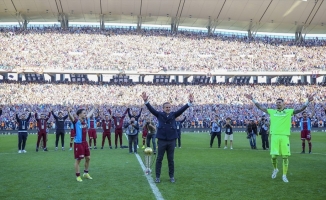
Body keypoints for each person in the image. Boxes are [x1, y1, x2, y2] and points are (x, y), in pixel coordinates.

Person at [244, 93, 314, 183]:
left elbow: (300, 109)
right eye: (277, 103)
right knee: (273, 156)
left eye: (279, 102)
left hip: (284, 136)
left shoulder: (289, 111)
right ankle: (275, 169)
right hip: (274, 136)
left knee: (285, 157)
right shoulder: (272, 111)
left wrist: (307, 101)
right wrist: (253, 99)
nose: (278, 104)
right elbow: (260, 107)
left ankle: (284, 175)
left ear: (283, 103)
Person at [141, 92, 194, 183]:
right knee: (159, 159)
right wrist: (146, 101)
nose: (168, 108)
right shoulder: (159, 114)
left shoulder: (174, 114)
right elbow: (151, 109)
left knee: (171, 160)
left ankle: (171, 176)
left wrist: (189, 103)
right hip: (161, 140)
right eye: (166, 107)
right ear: (163, 108)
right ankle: (157, 177)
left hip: (171, 140)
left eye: (169, 107)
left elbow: (181, 110)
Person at [68, 105, 97, 182]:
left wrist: (94, 108)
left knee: (88, 158)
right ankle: (78, 176)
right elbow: (71, 118)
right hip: (78, 143)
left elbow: (89, 114)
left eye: (85, 113)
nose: (85, 114)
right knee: (78, 160)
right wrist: (68, 112)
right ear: (79, 114)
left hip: (85, 143)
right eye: (84, 113)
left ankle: (86, 173)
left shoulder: (85, 120)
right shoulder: (76, 121)